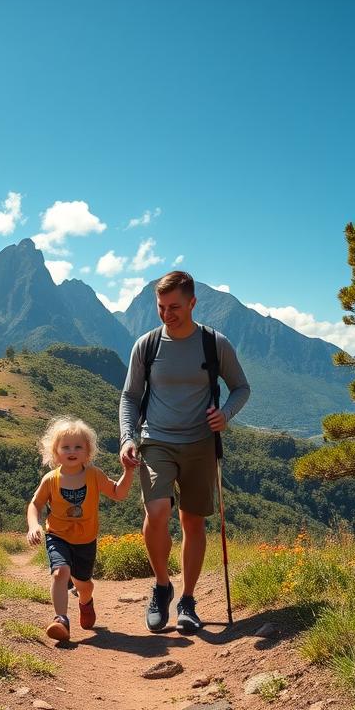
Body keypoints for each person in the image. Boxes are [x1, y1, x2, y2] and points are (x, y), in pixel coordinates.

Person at [119, 271, 250, 633]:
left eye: (174, 306)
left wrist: (225, 415)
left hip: (200, 443)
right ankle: (162, 586)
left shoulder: (214, 343)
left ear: (192, 303)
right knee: (157, 511)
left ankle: (188, 600)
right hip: (155, 440)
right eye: (161, 307)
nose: (167, 314)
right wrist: (128, 438)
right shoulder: (146, 346)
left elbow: (241, 387)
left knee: (193, 520)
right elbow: (130, 396)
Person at [27, 416, 135, 641]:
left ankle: (85, 601)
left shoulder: (94, 475)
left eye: (78, 446)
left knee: (83, 584)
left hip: (86, 541)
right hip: (57, 536)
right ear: (56, 452)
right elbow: (35, 504)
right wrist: (34, 525)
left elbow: (118, 493)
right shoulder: (50, 480)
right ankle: (61, 620)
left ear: (88, 452)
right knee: (60, 572)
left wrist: (128, 472)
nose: (72, 451)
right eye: (65, 447)